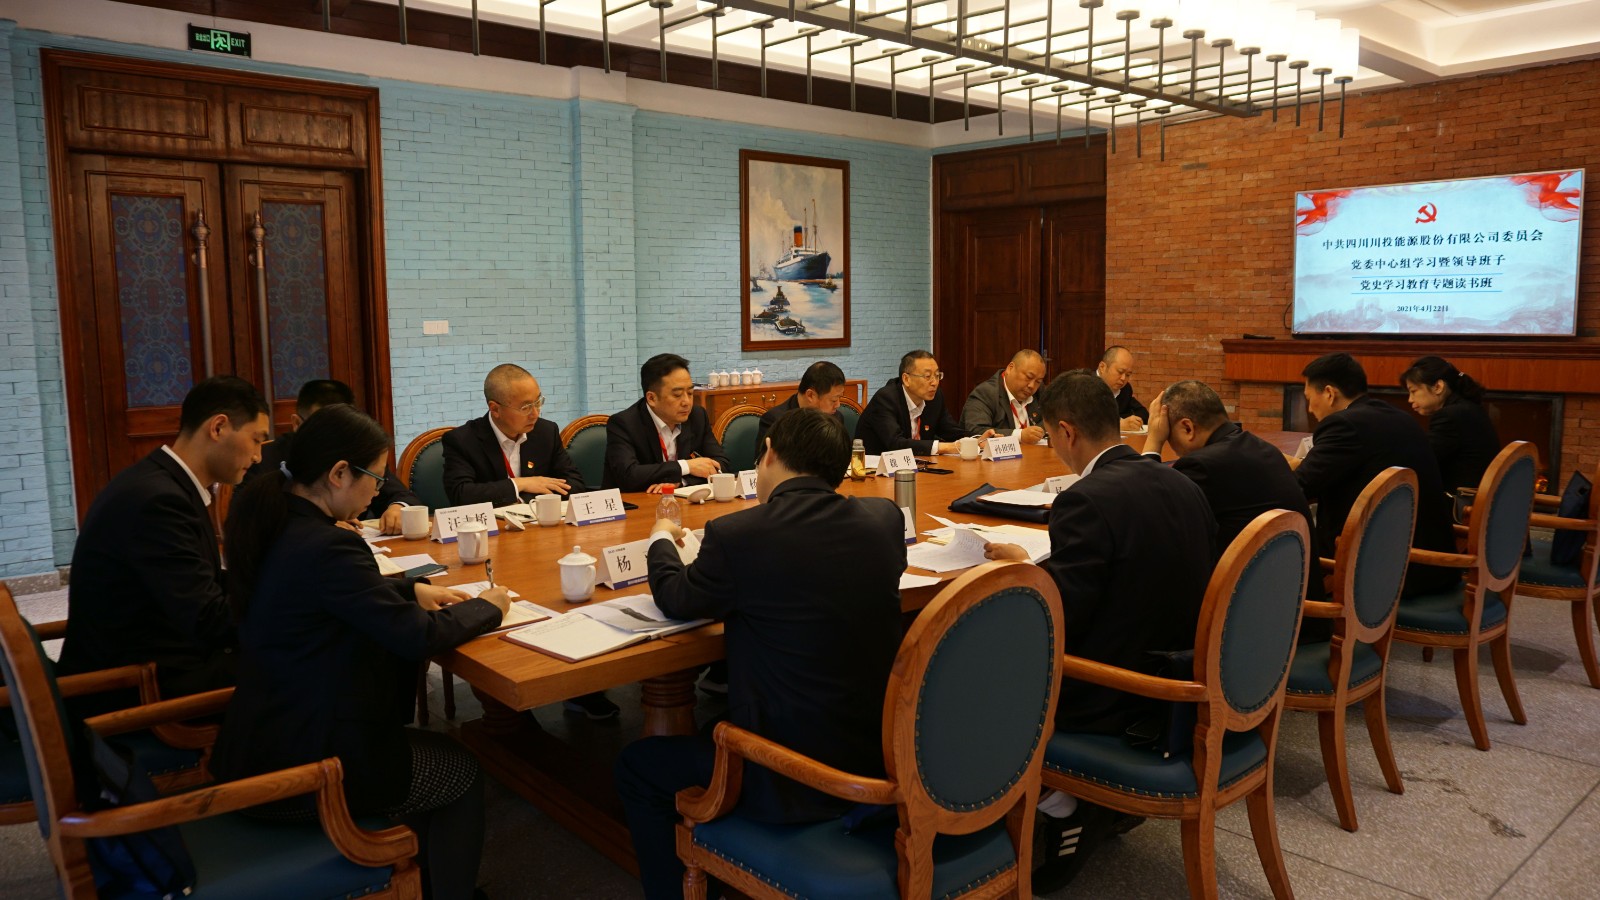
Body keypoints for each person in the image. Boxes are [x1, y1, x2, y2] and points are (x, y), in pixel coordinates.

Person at [211, 404, 511, 900]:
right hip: (305, 761)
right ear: (338, 473)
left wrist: (409, 590)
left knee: (431, 756)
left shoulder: (278, 518)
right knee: (460, 770)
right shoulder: (328, 544)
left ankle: (427, 881)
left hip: (267, 733)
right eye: (375, 477)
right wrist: (489, 607)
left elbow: (325, 594)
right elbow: (417, 637)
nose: (378, 491)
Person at [615, 410, 906, 900]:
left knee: (636, 766)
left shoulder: (739, 534)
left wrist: (661, 538)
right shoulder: (884, 519)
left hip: (785, 773)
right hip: (877, 748)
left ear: (768, 453)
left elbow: (677, 598)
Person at [984, 370, 1215, 891]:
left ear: (1066, 432)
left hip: (1115, 696)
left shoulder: (1086, 498)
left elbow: (1060, 619)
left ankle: (1063, 804)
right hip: (1182, 678)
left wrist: (1025, 571)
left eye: (1050, 436)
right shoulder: (1184, 483)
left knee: (976, 667)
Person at [57, 376, 271, 706]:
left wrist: (274, 583)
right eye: (256, 440)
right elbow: (209, 619)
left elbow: (204, 583)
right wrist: (289, 603)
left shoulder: (162, 483)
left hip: (159, 658)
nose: (258, 457)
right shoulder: (158, 501)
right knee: (309, 661)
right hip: (136, 685)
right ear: (218, 428)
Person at [1143, 380, 1329, 633]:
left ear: (1187, 427)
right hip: (1296, 610)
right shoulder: (1263, 448)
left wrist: (1153, 443)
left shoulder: (1203, 465)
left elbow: (1148, 511)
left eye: (1169, 438)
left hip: (1251, 628)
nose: (1172, 447)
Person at [1290, 352, 1459, 597]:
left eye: (1309, 398)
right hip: (1429, 563)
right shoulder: (1398, 416)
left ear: (1329, 393)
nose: (1309, 408)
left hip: (1386, 575)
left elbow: (1298, 488)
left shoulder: (1344, 424)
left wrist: (1272, 470)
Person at [245, 379, 420, 534]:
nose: (334, 439)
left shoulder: (361, 455)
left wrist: (397, 508)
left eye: (342, 428)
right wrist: (321, 521)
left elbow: (402, 495)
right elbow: (249, 519)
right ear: (297, 423)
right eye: (321, 428)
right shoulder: (263, 458)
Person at [443, 363, 585, 507]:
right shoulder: (462, 441)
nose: (535, 414)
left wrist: (523, 499)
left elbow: (575, 485)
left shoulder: (546, 432)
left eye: (538, 402)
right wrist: (519, 484)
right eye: (525, 407)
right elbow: (461, 495)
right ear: (495, 409)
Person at [603, 353, 729, 493]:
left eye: (690, 393)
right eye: (677, 395)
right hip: (635, 502)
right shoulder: (625, 424)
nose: (686, 402)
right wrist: (686, 466)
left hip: (682, 500)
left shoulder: (697, 416)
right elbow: (628, 475)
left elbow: (721, 465)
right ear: (652, 398)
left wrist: (681, 482)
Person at [1400, 355, 1501, 494]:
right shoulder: (1469, 408)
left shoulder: (1449, 416)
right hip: (1480, 498)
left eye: (1413, 391)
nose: (1410, 399)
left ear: (1438, 387)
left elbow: (1421, 462)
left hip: (1460, 502)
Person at [857, 350, 977, 455]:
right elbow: (896, 443)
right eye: (927, 376)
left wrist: (978, 440)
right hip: (875, 469)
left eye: (937, 375)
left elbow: (951, 431)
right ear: (906, 379)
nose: (934, 382)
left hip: (919, 466)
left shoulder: (935, 397)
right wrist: (945, 447)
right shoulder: (885, 399)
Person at [753, 360, 848, 449]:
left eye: (839, 398)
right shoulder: (776, 421)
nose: (838, 405)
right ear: (810, 395)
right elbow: (764, 460)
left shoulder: (836, 418)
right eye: (834, 400)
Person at [960, 349, 1048, 443]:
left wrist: (1037, 432)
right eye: (1029, 377)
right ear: (1010, 368)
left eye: (1038, 381)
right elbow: (976, 432)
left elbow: (1054, 417)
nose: (1032, 386)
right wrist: (1020, 435)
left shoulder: (1039, 391)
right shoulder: (985, 393)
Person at [1096, 345, 1148, 430]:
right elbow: (1083, 422)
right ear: (1102, 367)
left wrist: (1130, 421)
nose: (1123, 378)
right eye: (1120, 372)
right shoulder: (1083, 385)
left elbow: (1143, 413)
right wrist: (1118, 424)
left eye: (1128, 375)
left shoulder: (1125, 389)